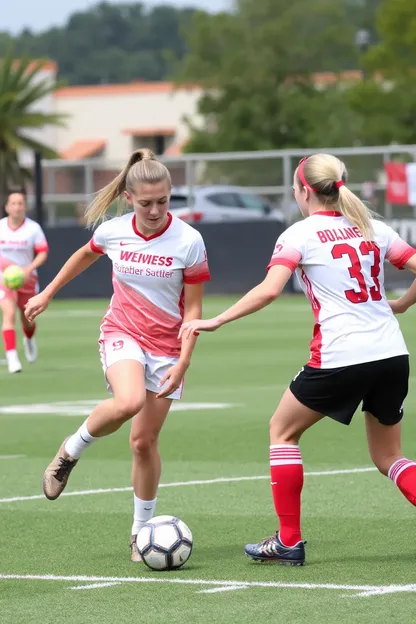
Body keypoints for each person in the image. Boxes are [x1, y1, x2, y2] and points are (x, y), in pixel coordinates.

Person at [180, 153, 416, 566]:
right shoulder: (373, 227)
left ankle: (289, 541)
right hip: (392, 354)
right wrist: (401, 304)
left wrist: (217, 319)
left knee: (282, 431)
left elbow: (270, 290)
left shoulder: (299, 234)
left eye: (295, 187)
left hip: (341, 355)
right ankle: (287, 540)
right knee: (390, 457)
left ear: (304, 190)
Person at [25, 148, 210, 562]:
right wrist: (48, 292)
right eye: (146, 202)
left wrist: (184, 360)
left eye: (163, 201)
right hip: (122, 332)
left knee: (144, 442)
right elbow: (84, 255)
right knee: (127, 402)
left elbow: (194, 308)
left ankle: (141, 532)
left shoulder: (189, 240)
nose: (156, 210)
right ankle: (70, 449)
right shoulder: (115, 231)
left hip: (167, 347)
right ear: (129, 197)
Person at [0, 191, 49, 374]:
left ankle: (29, 338)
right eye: (13, 203)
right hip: (4, 279)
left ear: (25, 207)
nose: (17, 207)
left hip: (28, 279)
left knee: (27, 319)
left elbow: (43, 252)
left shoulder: (33, 228)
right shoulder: (1, 227)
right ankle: (12, 357)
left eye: (20, 203)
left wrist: (27, 270)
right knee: (8, 314)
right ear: (7, 207)